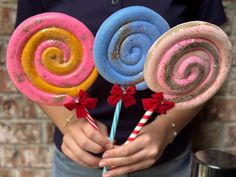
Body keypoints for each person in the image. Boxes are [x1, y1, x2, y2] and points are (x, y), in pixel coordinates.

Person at [15, 0, 226, 177]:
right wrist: (68, 122)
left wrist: (166, 127)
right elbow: (27, 65)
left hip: (167, 161)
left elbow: (209, 63)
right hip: (78, 162)